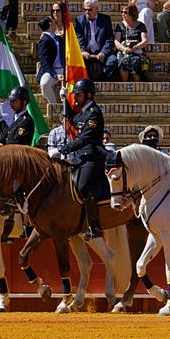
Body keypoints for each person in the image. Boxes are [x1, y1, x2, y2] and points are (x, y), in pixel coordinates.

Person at [49, 78, 106, 239]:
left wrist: (62, 149)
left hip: (92, 156)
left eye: (78, 95)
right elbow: (72, 120)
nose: (76, 98)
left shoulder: (94, 113)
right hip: (81, 157)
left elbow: (85, 138)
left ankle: (95, 226)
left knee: (82, 187)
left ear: (88, 95)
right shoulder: (84, 113)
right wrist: (64, 100)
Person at [75, 0, 117, 80]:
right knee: (79, 61)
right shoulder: (80, 20)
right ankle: (88, 81)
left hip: (101, 50)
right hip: (87, 51)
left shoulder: (105, 19)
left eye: (89, 9)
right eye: (85, 9)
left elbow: (110, 38)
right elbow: (79, 38)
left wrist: (103, 52)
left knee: (113, 61)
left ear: (96, 8)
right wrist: (83, 51)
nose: (87, 12)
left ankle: (102, 80)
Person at [114, 3, 149, 82]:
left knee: (136, 61)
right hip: (124, 51)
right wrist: (124, 49)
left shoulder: (141, 25)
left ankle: (137, 85)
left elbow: (145, 40)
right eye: (122, 12)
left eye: (125, 12)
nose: (123, 14)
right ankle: (125, 84)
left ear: (132, 13)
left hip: (137, 50)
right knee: (124, 60)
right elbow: (116, 41)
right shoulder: (120, 25)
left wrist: (135, 48)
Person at [37, 15, 64, 105]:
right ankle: (54, 105)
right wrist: (55, 75)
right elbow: (44, 60)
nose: (55, 22)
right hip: (51, 70)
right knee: (44, 84)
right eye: (53, 21)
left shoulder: (58, 38)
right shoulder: (44, 40)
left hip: (63, 68)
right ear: (50, 24)